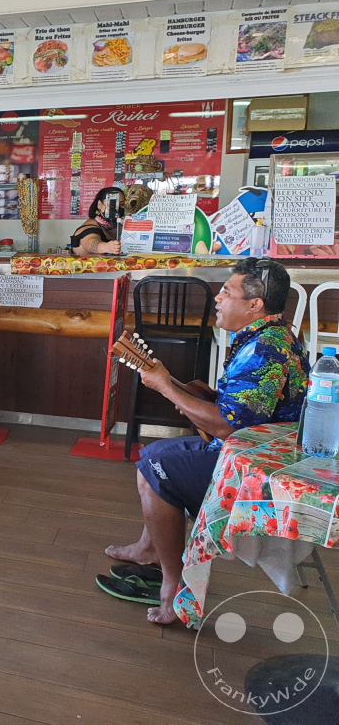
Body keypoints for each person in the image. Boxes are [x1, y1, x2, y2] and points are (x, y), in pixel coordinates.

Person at [102, 258, 308, 624]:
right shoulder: (272, 336)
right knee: (152, 454)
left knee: (155, 467)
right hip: (253, 450)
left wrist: (166, 386)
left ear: (254, 305)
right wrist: (204, 398)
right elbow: (250, 410)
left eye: (227, 291)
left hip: (254, 469)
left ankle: (174, 589)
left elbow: (230, 427)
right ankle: (150, 549)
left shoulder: (264, 350)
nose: (217, 297)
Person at [70, 187, 124, 256]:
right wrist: (105, 247)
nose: (117, 208)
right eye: (112, 204)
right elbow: (90, 244)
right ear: (99, 204)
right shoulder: (90, 227)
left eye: (121, 204)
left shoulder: (118, 225)